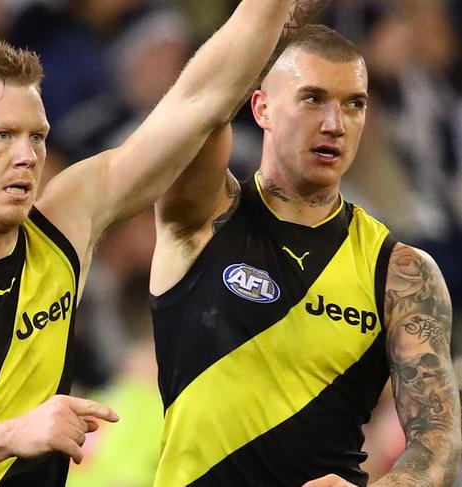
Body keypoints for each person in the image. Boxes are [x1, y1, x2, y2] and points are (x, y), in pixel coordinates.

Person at [0, 1, 318, 486]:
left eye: (37, 137)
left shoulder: (61, 223)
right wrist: (11, 434)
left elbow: (198, 101)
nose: (26, 156)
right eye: (2, 135)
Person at [149, 24, 462, 487]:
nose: (335, 124)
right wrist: (268, 21)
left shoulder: (400, 270)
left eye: (353, 104)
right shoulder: (202, 219)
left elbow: (437, 438)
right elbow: (200, 109)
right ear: (261, 107)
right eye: (313, 98)